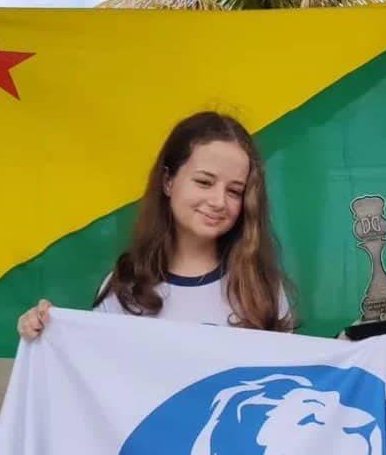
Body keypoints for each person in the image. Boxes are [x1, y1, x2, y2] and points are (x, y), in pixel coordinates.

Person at [17, 110, 293, 340]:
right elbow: (91, 382)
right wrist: (44, 333)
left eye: (235, 191)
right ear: (168, 181)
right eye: (204, 182)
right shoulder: (125, 286)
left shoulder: (262, 289)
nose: (219, 201)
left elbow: (285, 383)